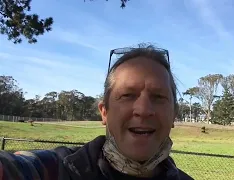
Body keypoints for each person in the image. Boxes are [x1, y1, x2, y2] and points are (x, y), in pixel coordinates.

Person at [0, 44, 194, 180]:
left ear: (174, 114)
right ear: (104, 112)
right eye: (127, 95)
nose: (143, 110)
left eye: (159, 97)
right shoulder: (53, 170)